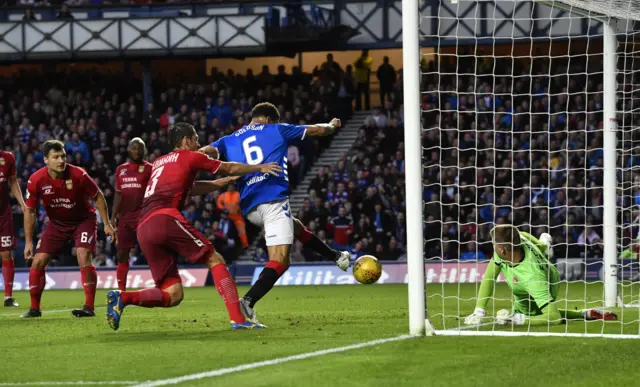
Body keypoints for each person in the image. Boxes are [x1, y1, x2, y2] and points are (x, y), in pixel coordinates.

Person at [105, 122, 281, 331]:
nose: (198, 143)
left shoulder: (159, 162)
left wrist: (217, 184)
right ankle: (239, 319)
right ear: (186, 140)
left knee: (173, 293)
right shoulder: (191, 156)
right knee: (214, 259)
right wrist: (259, 167)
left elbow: (188, 187)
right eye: (196, 139)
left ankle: (123, 297)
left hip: (144, 227)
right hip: (165, 218)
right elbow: (229, 166)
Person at [199, 102, 351, 324]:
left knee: (294, 225)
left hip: (250, 209)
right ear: (270, 119)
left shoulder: (228, 139)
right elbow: (317, 130)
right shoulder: (276, 129)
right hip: (272, 200)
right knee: (280, 261)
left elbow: (204, 153)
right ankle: (247, 302)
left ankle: (335, 256)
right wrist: (331, 125)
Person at [22, 140, 117, 318]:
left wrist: (107, 224)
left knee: (83, 255)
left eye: (63, 156)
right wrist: (28, 241)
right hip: (57, 224)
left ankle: (89, 307)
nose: (60, 160)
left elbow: (98, 197)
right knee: (38, 262)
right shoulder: (36, 180)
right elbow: (30, 211)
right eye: (55, 157)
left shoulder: (79, 174)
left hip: (83, 221)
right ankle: (35, 309)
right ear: (45, 160)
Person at [464, 225, 617, 326]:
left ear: (502, 249)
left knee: (533, 315)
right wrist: (479, 311)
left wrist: (517, 320)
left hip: (546, 279)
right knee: (541, 247)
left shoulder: (533, 278)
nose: (493, 246)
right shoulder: (518, 237)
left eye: (494, 245)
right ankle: (545, 246)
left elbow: (554, 318)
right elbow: (489, 277)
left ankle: (581, 314)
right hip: (524, 265)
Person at [110, 138, 152, 291]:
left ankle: (163, 282)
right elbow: (118, 194)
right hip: (125, 218)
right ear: (128, 149)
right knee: (121, 254)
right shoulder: (121, 169)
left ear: (144, 150)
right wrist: (113, 217)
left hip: (143, 216)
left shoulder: (150, 168)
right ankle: (121, 290)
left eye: (140, 148)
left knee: (152, 250)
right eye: (134, 148)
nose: (137, 151)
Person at [0, 151, 26, 307]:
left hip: (3, 214)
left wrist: (22, 203)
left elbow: (13, 181)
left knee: (6, 253)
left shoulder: (7, 158)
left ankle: (8, 296)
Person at [216, 182, 249, 248]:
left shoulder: (238, 194)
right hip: (227, 216)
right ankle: (226, 244)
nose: (231, 187)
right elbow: (218, 202)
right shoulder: (224, 195)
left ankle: (245, 245)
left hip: (237, 216)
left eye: (232, 186)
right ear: (228, 187)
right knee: (225, 230)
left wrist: (241, 209)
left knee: (242, 230)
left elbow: (244, 202)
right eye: (230, 186)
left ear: (234, 187)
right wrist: (223, 209)